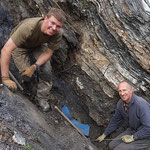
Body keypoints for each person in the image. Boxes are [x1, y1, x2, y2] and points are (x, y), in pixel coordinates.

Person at [1, 8, 66, 112]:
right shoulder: (28, 27)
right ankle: (29, 88)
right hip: (20, 46)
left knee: (46, 71)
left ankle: (42, 98)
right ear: (45, 18)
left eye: (58, 26)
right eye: (52, 23)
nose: (54, 28)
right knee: (26, 75)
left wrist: (35, 66)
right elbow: (6, 50)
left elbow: (48, 53)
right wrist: (5, 78)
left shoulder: (57, 34)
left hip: (38, 46)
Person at [96, 81, 150, 150]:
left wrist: (133, 137)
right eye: (120, 91)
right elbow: (115, 120)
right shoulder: (121, 103)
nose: (122, 93)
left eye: (124, 90)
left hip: (147, 137)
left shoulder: (141, 104)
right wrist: (105, 134)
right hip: (133, 130)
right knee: (111, 145)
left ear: (131, 90)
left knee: (119, 149)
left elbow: (148, 128)